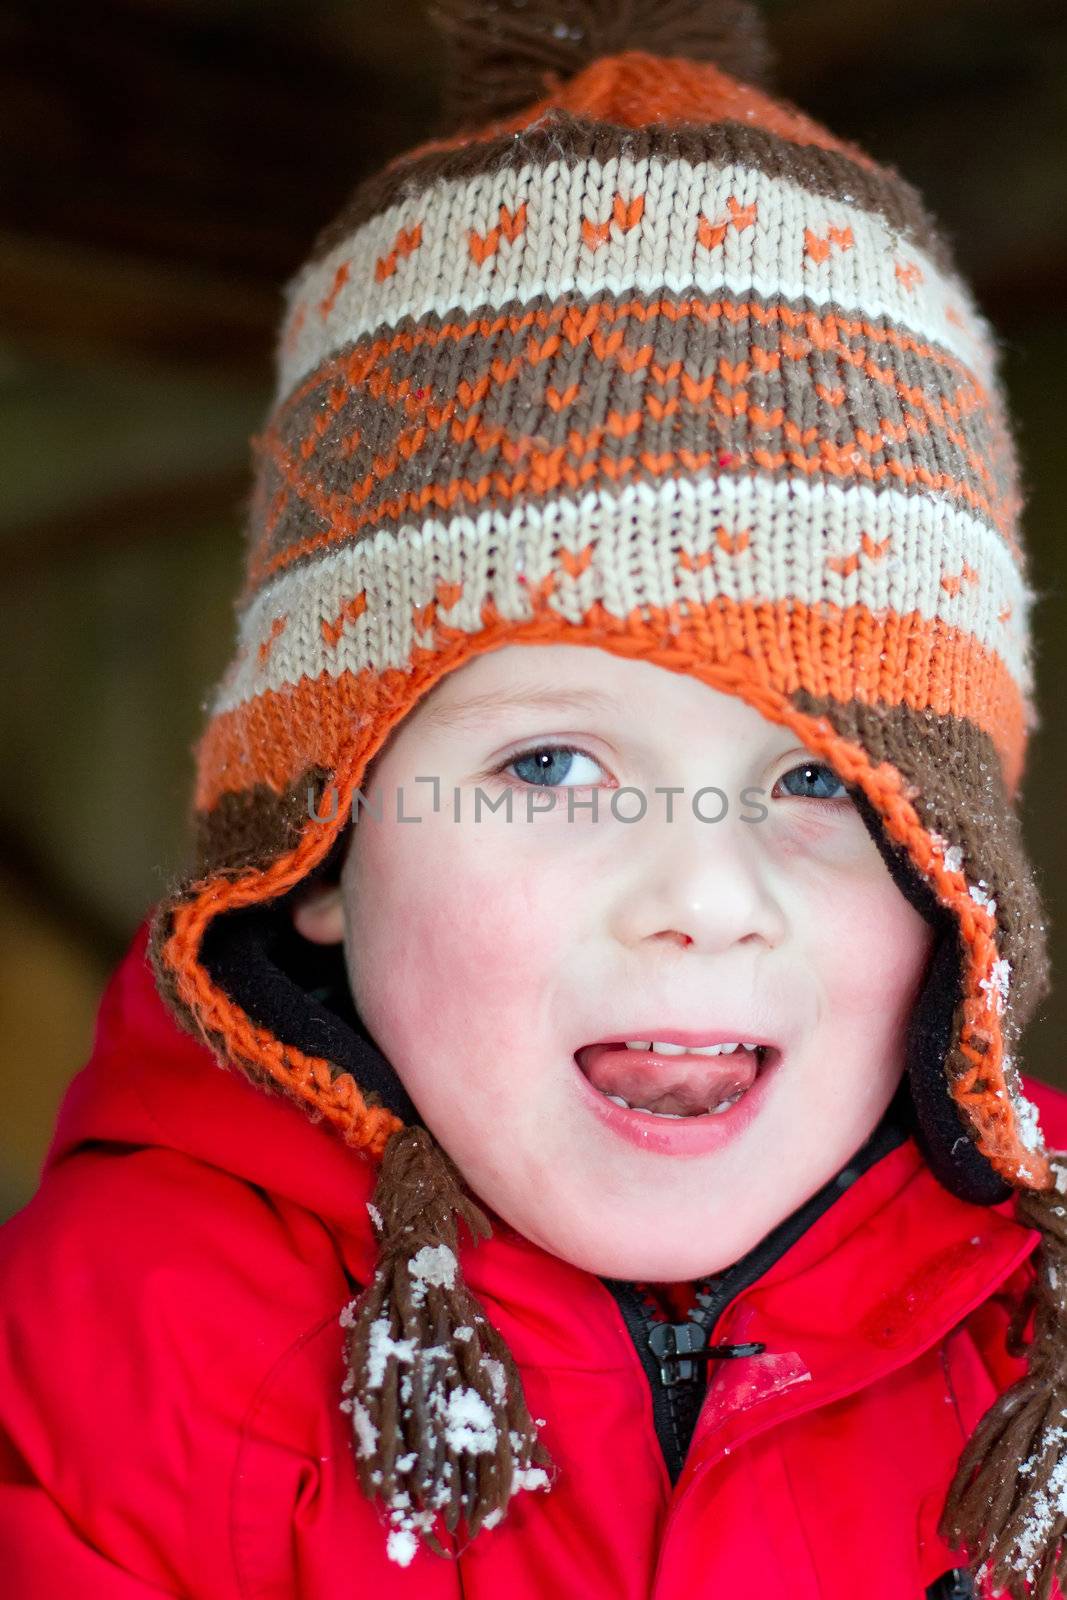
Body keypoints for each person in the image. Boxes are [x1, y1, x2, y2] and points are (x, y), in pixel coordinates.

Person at [2, 2, 1067, 1596]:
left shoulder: (1033, 1349)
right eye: (551, 764)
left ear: (960, 881)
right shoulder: (110, 1356)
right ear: (321, 845)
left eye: (819, 779)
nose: (707, 899)